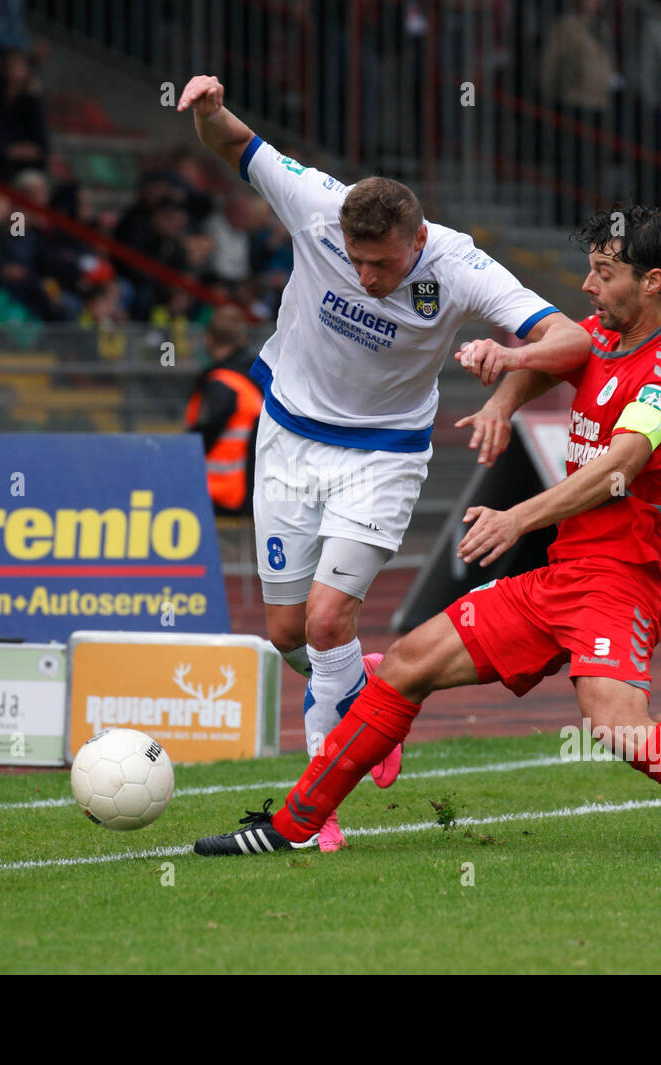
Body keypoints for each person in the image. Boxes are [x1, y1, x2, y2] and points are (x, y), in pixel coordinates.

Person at [194, 205, 661, 861]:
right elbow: (565, 354)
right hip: (560, 576)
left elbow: (618, 467)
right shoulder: (604, 336)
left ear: (651, 281)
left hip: (620, 584)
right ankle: (291, 826)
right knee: (409, 662)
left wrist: (515, 518)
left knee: (619, 728)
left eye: (603, 273)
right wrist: (503, 396)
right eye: (588, 270)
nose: (588, 286)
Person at [177, 74, 591, 851]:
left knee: (331, 618)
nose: (367, 277)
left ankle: (315, 806)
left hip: (385, 453)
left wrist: (505, 359)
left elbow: (572, 337)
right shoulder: (315, 203)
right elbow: (234, 141)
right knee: (286, 632)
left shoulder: (460, 265)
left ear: (417, 238)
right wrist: (207, 109)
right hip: (288, 436)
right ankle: (364, 697)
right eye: (357, 261)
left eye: (382, 264)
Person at [184, 305, 264, 516]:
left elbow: (200, 439)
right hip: (255, 489)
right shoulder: (258, 378)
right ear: (242, 339)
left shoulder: (221, 383)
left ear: (209, 339)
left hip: (219, 492)